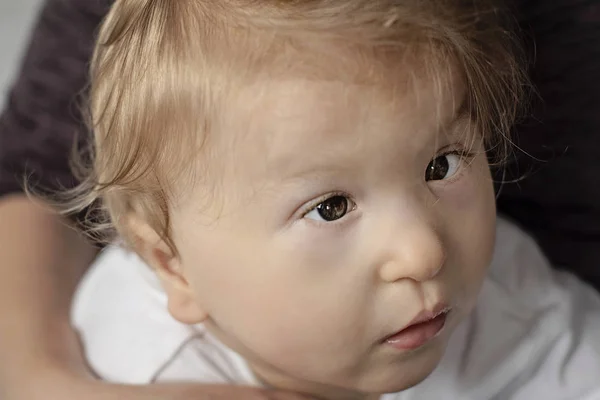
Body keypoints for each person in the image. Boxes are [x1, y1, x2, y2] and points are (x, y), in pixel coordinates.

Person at [1, 0, 599, 399]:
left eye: (439, 165)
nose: (423, 250)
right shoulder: (136, 368)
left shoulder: (504, 290)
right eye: (331, 207)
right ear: (172, 266)